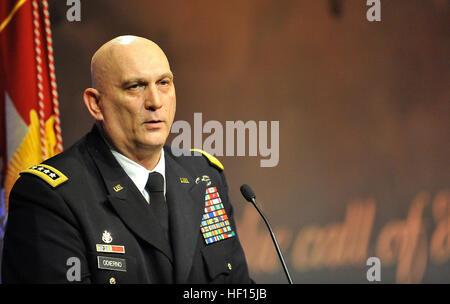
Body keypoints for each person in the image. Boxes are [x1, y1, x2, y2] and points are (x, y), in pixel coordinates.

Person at [1, 35, 253, 284]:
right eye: (135, 86)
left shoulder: (204, 175)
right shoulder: (49, 196)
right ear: (96, 104)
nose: (155, 101)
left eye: (163, 83)